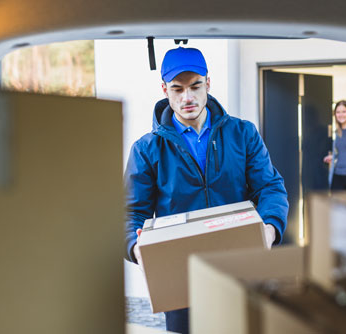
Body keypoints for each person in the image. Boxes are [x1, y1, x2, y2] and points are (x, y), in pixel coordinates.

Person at [124, 47, 289, 334]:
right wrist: (137, 248)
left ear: (208, 84)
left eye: (195, 86)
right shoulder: (147, 149)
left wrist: (270, 228)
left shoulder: (243, 134)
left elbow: (270, 187)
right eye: (177, 89)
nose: (187, 97)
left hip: (239, 269)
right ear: (164, 89)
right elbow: (130, 213)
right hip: (180, 279)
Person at [323, 100, 346, 191]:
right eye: (338, 112)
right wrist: (333, 156)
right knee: (336, 204)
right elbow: (342, 151)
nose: (340, 114)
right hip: (338, 174)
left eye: (344, 111)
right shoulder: (338, 132)